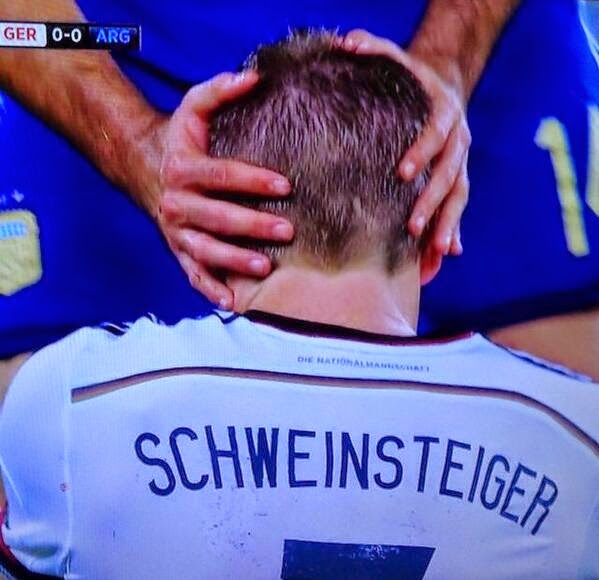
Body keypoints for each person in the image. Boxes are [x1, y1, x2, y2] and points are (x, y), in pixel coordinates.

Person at [0, 32, 596, 579]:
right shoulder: (578, 437)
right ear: (438, 243)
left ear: (215, 250)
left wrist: (132, 141)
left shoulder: (67, 400)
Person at [4, 0, 598, 384]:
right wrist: (128, 139)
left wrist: (448, 59)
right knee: (44, 444)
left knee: (572, 462)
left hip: (474, 45)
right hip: (98, 46)